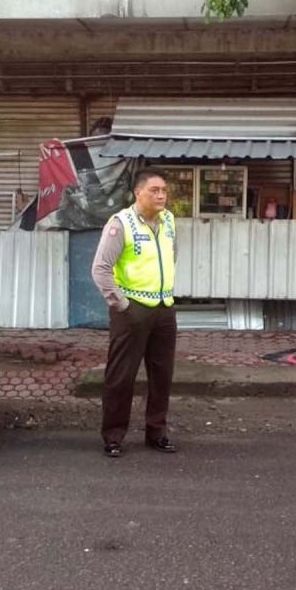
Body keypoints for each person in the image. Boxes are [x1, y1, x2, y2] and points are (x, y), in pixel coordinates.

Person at [91, 168, 179, 458]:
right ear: (138, 192)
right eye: (155, 190)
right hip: (132, 309)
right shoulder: (121, 223)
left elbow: (171, 255)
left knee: (162, 375)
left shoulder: (168, 221)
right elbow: (101, 269)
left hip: (164, 308)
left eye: (164, 190)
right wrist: (122, 304)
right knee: (121, 376)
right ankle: (113, 436)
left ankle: (157, 432)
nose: (161, 195)